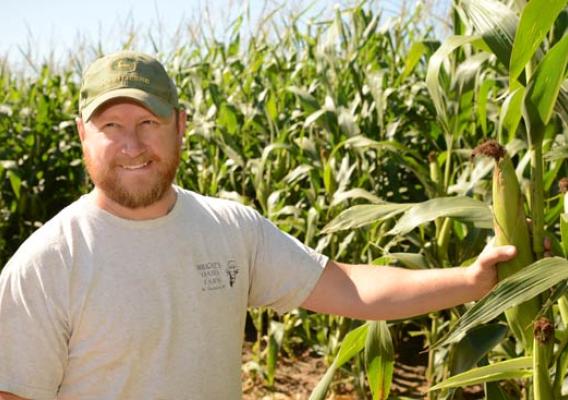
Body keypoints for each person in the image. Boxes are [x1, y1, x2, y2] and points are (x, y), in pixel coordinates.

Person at [0, 51, 516, 400]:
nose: (132, 146)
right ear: (81, 135)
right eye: (111, 126)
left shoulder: (230, 229)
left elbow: (352, 288)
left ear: (180, 125)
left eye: (149, 123)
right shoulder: (48, 263)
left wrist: (472, 281)